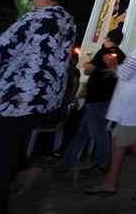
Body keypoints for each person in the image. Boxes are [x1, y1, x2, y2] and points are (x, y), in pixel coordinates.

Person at [0, 0, 77, 213]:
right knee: (6, 145)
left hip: (16, 97)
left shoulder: (36, 18)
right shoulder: (69, 22)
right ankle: (23, 169)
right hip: (43, 99)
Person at [84, 25, 136, 199]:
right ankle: (111, 182)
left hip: (133, 103)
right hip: (134, 103)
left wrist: (112, 64)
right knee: (118, 138)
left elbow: (124, 73)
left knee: (131, 139)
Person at [55, 29, 126, 175]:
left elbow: (88, 70)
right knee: (83, 131)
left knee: (98, 131)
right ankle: (65, 162)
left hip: (97, 97)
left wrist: (89, 64)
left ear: (107, 38)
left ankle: (104, 163)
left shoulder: (103, 52)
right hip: (109, 97)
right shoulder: (122, 55)